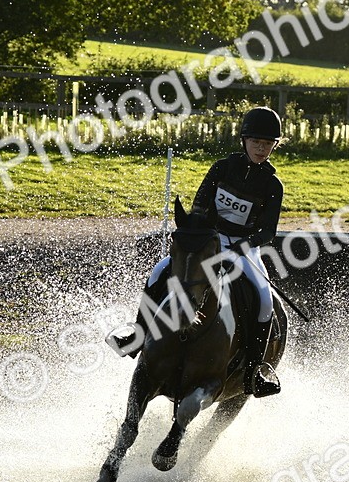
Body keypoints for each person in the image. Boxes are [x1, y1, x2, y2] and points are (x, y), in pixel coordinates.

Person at [106, 106, 285, 398]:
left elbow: (268, 232)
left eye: (268, 144)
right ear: (244, 140)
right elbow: (200, 206)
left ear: (274, 146)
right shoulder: (222, 168)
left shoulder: (273, 184)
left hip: (244, 249)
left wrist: (245, 243)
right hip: (209, 241)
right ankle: (136, 335)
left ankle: (254, 370)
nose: (261, 148)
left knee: (265, 301)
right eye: (256, 142)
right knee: (160, 270)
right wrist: (204, 234)